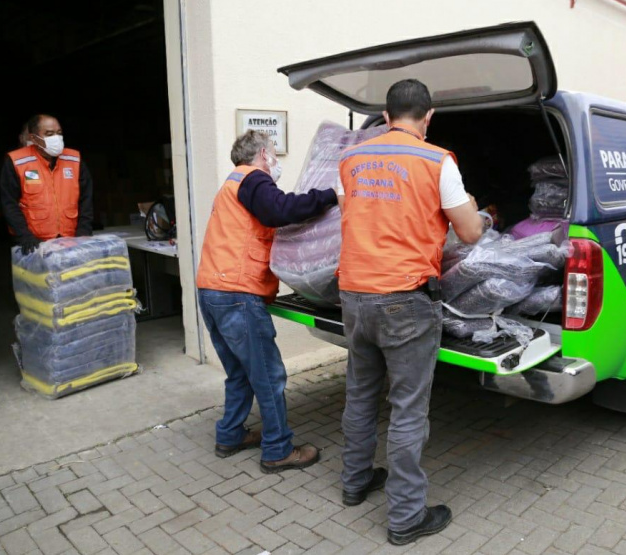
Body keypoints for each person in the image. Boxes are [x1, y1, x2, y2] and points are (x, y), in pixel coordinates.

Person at [335, 79, 483, 545]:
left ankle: (355, 482)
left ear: (384, 113)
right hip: (405, 299)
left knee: (360, 394)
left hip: (354, 295)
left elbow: (353, 212)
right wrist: (474, 210)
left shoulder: (351, 160)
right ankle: (405, 518)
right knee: (407, 411)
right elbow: (471, 232)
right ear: (429, 116)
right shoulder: (437, 161)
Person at [197, 130, 337, 472]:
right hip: (237, 295)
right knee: (268, 375)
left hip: (212, 290)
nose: (276, 162)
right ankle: (277, 449)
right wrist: (331, 196)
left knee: (240, 373)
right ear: (263, 154)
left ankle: (229, 435)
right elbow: (281, 209)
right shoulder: (253, 179)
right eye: (274, 154)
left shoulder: (231, 185)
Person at [0, 114, 94, 254]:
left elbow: (86, 198)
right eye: (49, 134)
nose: (56, 138)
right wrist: (24, 236)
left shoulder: (74, 159)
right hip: (34, 243)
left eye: (59, 133)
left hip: (72, 240)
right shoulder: (17, 161)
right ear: (33, 138)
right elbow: (9, 203)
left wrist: (83, 231)